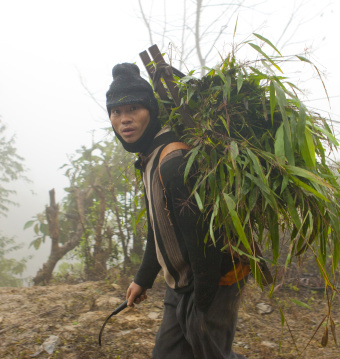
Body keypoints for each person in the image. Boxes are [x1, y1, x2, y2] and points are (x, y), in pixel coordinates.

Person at [106, 62, 248, 359]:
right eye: (116, 112)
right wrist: (142, 279)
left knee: (212, 353)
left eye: (133, 109)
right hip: (182, 281)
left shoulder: (173, 161)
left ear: (151, 110)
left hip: (214, 278)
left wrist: (203, 301)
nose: (124, 120)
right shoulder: (148, 157)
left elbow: (203, 241)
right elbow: (159, 228)